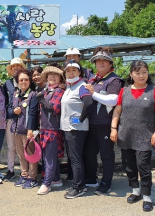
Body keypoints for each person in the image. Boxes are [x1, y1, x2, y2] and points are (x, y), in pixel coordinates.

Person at [110, 60, 155, 212]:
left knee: (143, 166)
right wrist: (113, 128)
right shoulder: (124, 91)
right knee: (129, 165)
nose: (141, 75)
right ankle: (135, 190)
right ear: (131, 74)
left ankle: (147, 196)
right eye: (138, 73)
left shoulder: (154, 91)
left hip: (145, 136)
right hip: (125, 135)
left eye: (144, 72)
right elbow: (117, 111)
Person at [83, 46, 123, 194]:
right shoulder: (92, 79)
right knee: (89, 153)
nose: (101, 63)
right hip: (90, 124)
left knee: (106, 155)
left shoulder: (114, 80)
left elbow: (113, 100)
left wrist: (93, 94)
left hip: (105, 125)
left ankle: (106, 182)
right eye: (98, 61)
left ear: (110, 64)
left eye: (104, 61)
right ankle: (92, 179)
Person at [60, 59, 94, 199]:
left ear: (79, 72)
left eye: (74, 70)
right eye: (68, 70)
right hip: (69, 128)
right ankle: (80, 184)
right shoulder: (70, 86)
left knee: (75, 158)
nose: (71, 72)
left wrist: (80, 118)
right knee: (75, 157)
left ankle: (78, 187)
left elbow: (88, 102)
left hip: (76, 129)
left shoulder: (81, 86)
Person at [35, 66, 65, 195]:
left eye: (55, 75)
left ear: (60, 78)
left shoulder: (58, 91)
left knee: (49, 158)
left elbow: (55, 108)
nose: (52, 77)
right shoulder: (47, 91)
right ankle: (56, 179)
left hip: (52, 129)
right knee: (49, 156)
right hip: (45, 128)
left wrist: (41, 99)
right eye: (50, 75)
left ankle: (46, 184)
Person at [8, 68, 39, 189]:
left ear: (30, 81)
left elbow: (32, 114)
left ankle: (32, 177)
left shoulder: (33, 95)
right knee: (21, 155)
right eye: (21, 80)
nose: (23, 82)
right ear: (17, 81)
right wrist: (14, 111)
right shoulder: (15, 94)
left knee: (31, 155)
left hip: (27, 130)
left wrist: (30, 129)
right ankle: (24, 175)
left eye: (26, 79)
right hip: (16, 130)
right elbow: (9, 111)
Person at [2, 58, 26, 181]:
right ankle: (10, 170)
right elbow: (4, 102)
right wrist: (10, 112)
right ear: (11, 70)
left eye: (18, 66)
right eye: (13, 66)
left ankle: (25, 172)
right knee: (11, 146)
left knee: (24, 147)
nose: (16, 68)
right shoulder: (7, 83)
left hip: (24, 119)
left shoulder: (27, 81)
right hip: (11, 119)